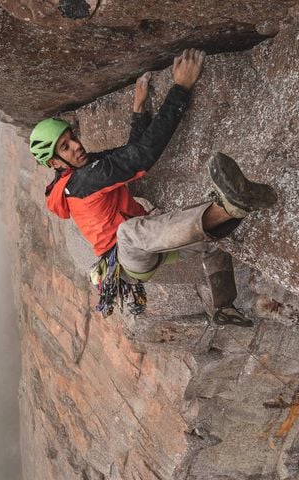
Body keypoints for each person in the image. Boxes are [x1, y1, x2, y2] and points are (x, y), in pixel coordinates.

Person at [29, 49, 276, 322]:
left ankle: (224, 306)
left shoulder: (84, 169)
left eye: (72, 137)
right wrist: (180, 88)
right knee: (128, 232)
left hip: (151, 251)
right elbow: (144, 158)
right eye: (65, 146)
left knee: (211, 240)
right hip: (130, 257)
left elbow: (131, 153)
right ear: (54, 163)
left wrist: (139, 111)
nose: (77, 145)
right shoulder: (82, 181)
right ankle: (231, 206)